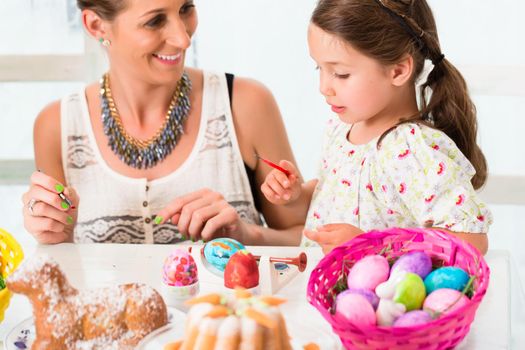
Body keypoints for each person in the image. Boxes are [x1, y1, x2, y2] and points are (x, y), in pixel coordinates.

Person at [22, 0, 304, 245]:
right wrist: (53, 235)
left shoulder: (245, 104)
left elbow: (309, 239)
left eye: (186, 8)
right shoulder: (56, 127)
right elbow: (61, 275)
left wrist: (248, 236)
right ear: (96, 26)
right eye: (155, 20)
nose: (183, 39)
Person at [261, 0, 492, 255]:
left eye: (341, 74)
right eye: (320, 68)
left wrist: (373, 246)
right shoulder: (340, 132)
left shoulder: (413, 149)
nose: (323, 87)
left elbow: (471, 240)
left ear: (398, 71)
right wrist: (296, 196)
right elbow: (331, 202)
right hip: (329, 290)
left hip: (384, 295)